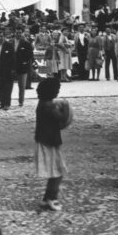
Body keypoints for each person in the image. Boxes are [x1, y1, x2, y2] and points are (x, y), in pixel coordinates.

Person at [34, 79, 70, 212]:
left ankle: (46, 198)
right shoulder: (49, 106)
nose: (58, 92)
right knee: (58, 172)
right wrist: (66, 107)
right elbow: (62, 118)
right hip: (49, 143)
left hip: (46, 140)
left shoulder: (42, 103)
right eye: (57, 90)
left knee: (54, 172)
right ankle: (52, 198)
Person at [0, 29, 16, 110]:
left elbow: (13, 58)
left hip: (8, 71)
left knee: (8, 88)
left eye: (1, 36)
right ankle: (2, 103)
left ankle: (7, 104)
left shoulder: (9, 45)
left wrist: (13, 69)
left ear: (4, 37)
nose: (0, 38)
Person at [13, 27, 34, 106]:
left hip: (22, 67)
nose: (18, 34)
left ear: (22, 33)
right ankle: (6, 102)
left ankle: (21, 101)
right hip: (12, 67)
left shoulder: (26, 43)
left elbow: (30, 54)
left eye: (19, 32)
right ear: (14, 33)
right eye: (17, 32)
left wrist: (26, 62)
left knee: (21, 86)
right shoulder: (11, 42)